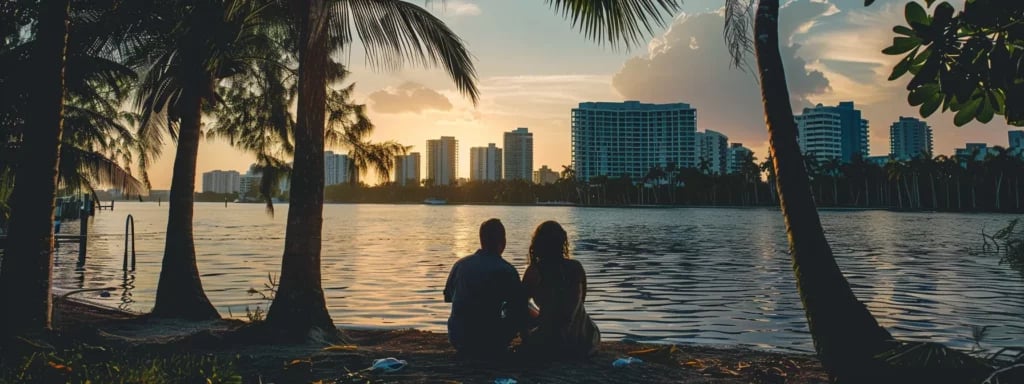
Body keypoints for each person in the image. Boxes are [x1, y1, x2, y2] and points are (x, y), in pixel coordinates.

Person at [443, 218, 527, 357]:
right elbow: (518, 308)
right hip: (491, 342)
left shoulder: (460, 264)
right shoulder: (506, 270)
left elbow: (449, 297)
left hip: (458, 339)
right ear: (503, 242)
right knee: (522, 306)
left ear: (481, 240)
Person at [521, 220, 600, 359]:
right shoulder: (577, 268)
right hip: (585, 340)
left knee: (523, 304)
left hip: (553, 342)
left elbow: (518, 307)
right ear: (562, 243)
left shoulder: (534, 271)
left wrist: (526, 339)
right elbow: (581, 302)